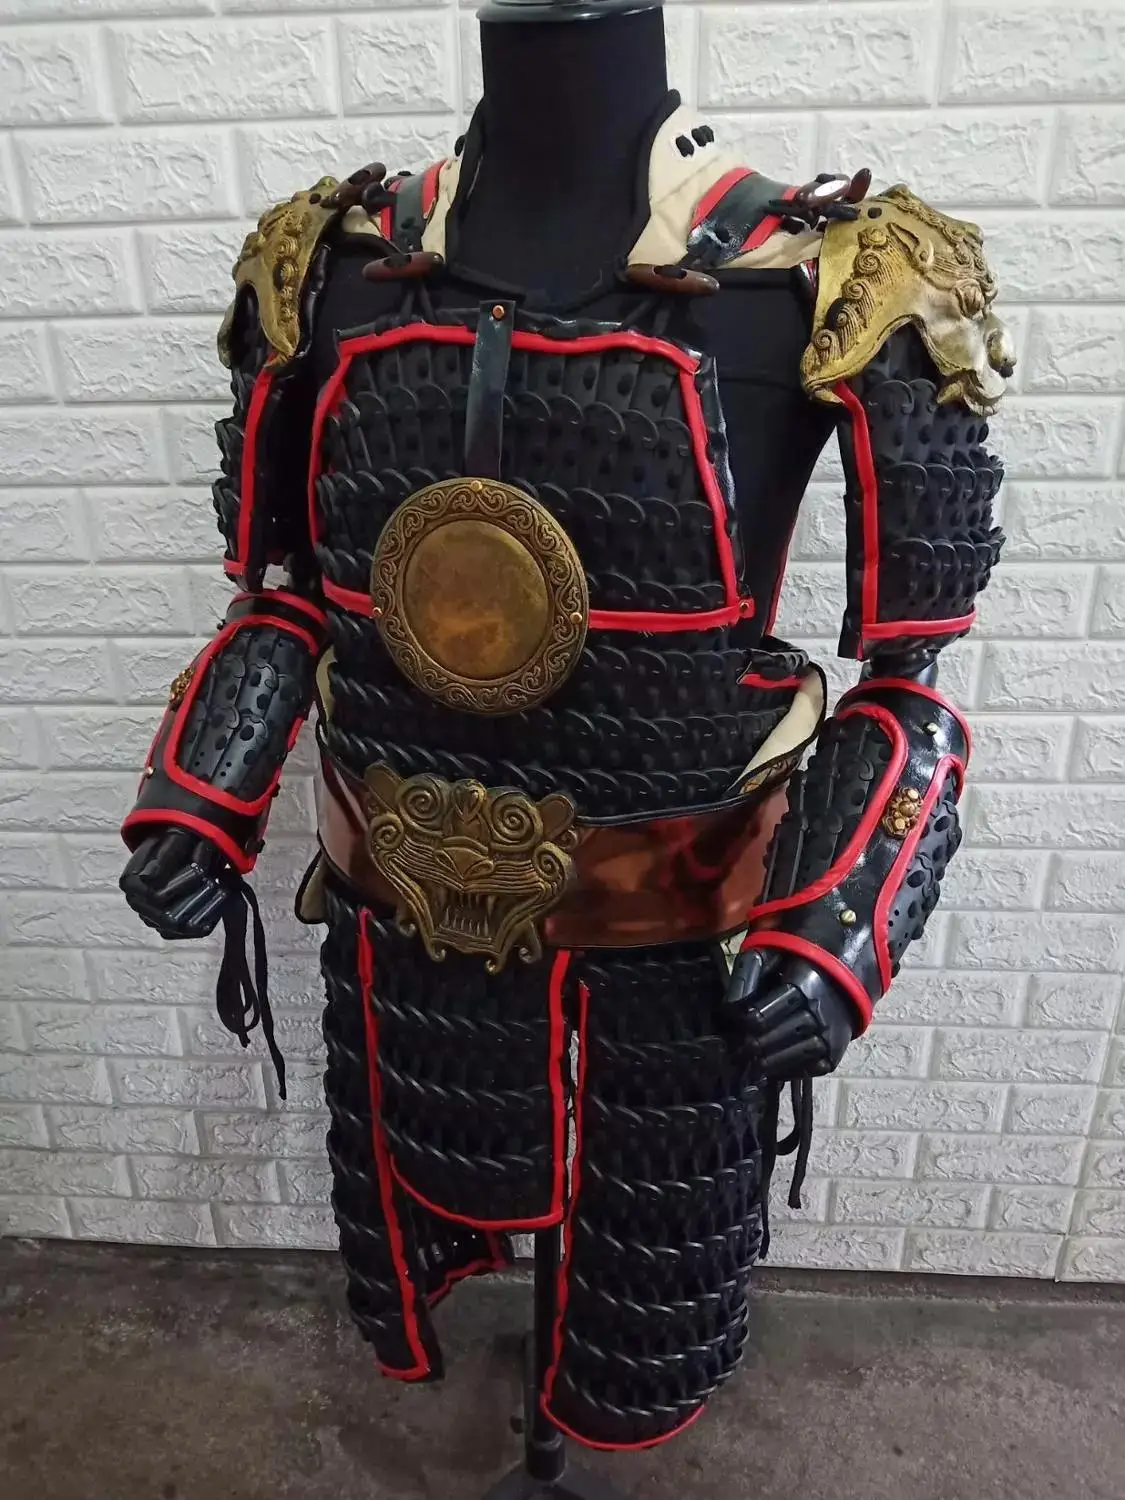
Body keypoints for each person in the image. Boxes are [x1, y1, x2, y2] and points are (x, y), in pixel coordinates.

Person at [120, 0, 1013, 1454]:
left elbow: (910, 686)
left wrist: (834, 928)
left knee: (639, 1311)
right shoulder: (327, 266)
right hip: (397, 928)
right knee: (409, 1210)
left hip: (668, 952)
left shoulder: (829, 277)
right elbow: (287, 602)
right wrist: (199, 797)